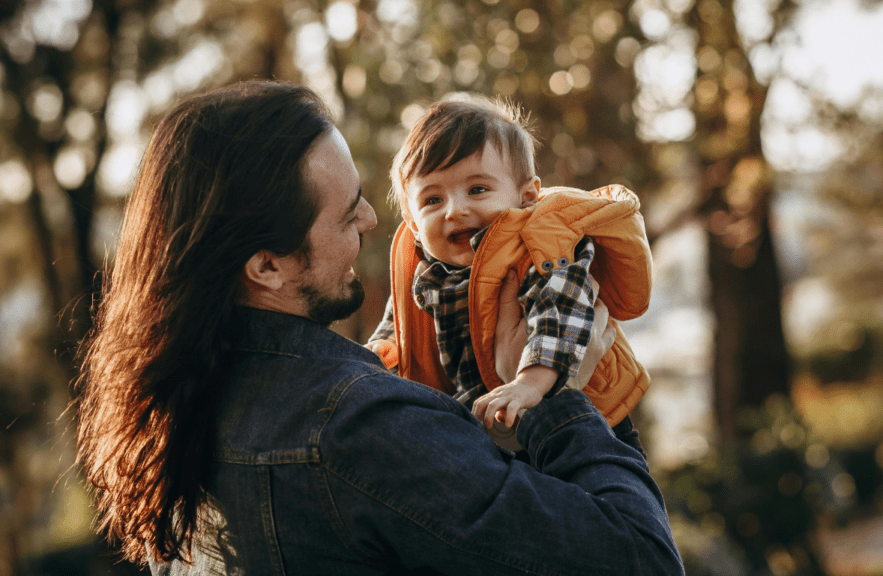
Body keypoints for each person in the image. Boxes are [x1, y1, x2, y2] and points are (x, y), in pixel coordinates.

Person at [77, 80, 683, 575]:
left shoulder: (173, 412)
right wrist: (562, 401)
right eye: (346, 214)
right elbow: (643, 560)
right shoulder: (365, 428)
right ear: (267, 265)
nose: (371, 219)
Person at [366, 96, 652, 433]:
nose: (454, 210)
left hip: (584, 415)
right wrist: (376, 359)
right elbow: (401, 328)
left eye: (477, 189)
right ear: (413, 222)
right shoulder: (426, 270)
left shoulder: (541, 242)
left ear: (527, 195)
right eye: (432, 200)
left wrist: (529, 385)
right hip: (491, 417)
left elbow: (560, 314)